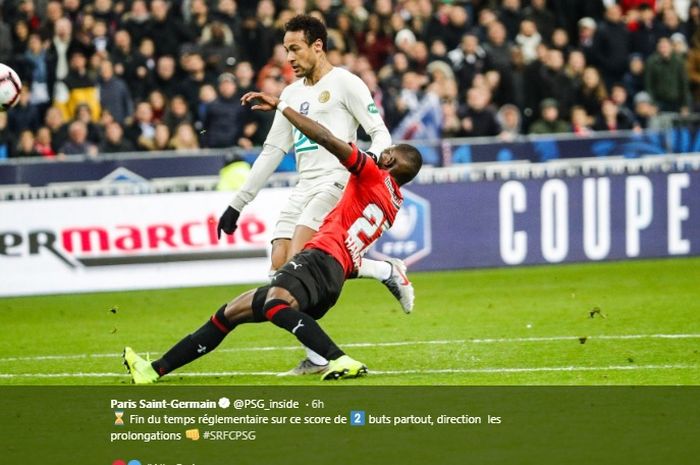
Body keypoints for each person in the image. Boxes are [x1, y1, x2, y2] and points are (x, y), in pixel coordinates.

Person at [123, 90, 423, 384]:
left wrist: (283, 106)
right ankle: (153, 370)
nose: (381, 151)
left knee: (275, 304)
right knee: (230, 312)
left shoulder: (373, 174)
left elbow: (326, 139)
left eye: (388, 152)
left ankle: (339, 359)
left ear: (390, 163)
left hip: (320, 259)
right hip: (333, 273)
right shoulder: (394, 203)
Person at [216, 15, 412, 376]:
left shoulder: (345, 83)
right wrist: (237, 204)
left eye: (295, 48)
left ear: (317, 46)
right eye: (286, 49)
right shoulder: (289, 95)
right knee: (278, 267)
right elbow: (272, 152)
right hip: (303, 186)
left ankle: (381, 276)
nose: (288, 57)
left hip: (336, 182)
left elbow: (378, 131)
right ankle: (323, 349)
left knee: (300, 262)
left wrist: (371, 166)